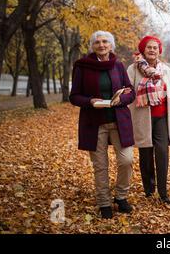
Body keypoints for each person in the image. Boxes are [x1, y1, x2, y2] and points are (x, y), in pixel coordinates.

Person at [70, 30, 135, 219]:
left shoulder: (118, 66)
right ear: (93, 45)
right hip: (94, 123)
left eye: (105, 41)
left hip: (118, 122)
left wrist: (121, 99)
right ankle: (104, 202)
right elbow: (74, 96)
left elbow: (131, 92)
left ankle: (121, 197)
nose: (101, 45)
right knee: (100, 165)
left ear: (111, 45)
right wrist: (90, 101)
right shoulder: (82, 66)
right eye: (97, 42)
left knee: (126, 160)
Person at [127, 35, 170, 204]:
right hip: (143, 117)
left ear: (159, 51)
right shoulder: (133, 69)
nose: (152, 50)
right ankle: (149, 190)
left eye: (155, 47)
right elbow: (127, 90)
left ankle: (163, 193)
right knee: (146, 153)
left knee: (162, 153)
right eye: (148, 47)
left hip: (161, 117)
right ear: (143, 49)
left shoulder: (166, 70)